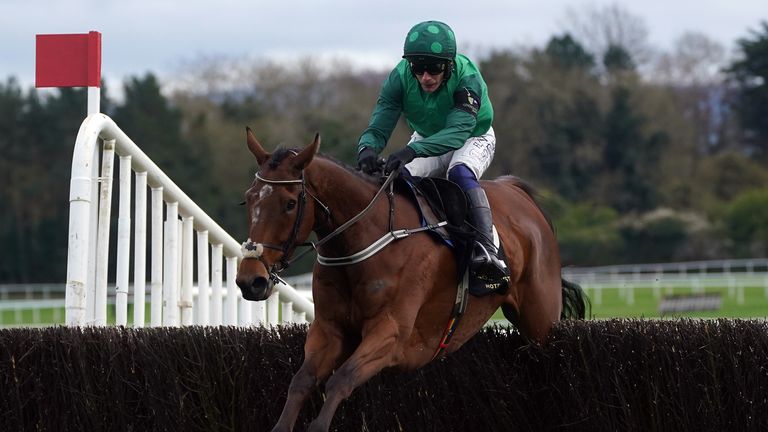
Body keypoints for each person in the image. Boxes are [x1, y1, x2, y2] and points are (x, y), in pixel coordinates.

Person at [356, 20, 506, 279]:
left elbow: (457, 133)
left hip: (472, 136)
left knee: (459, 173)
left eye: (434, 68)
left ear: (449, 64)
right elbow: (380, 122)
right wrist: (367, 149)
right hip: (428, 138)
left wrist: (411, 151)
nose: (426, 77)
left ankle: (487, 250)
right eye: (418, 68)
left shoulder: (468, 76)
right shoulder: (399, 77)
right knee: (397, 178)